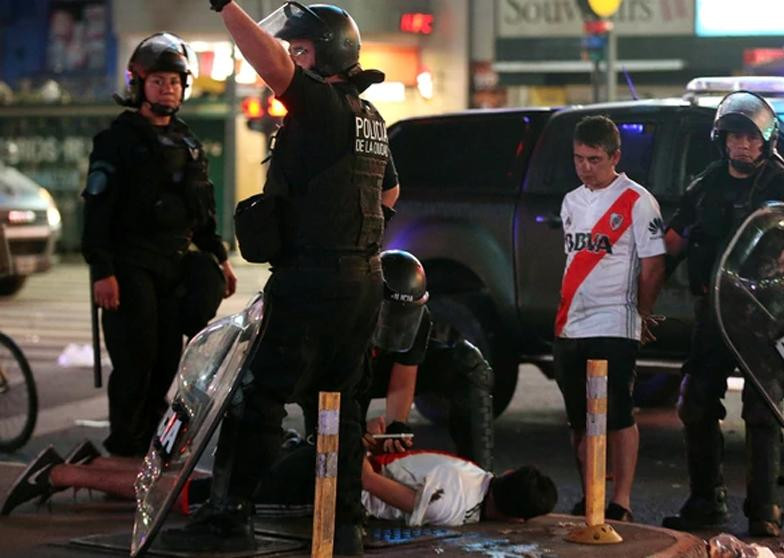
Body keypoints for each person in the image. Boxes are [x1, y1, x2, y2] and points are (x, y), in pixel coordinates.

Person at [164, 1, 399, 554]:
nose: (293, 57)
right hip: (361, 280)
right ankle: (343, 522)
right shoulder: (369, 117)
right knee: (340, 404)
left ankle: (228, 513)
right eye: (293, 48)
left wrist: (226, 8)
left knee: (256, 397)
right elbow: (389, 192)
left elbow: (268, 62)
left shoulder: (320, 106)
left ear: (326, 56)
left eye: (302, 50)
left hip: (310, 280)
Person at [660, 91, 784, 538]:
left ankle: (765, 507)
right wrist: (638, 287)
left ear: (766, 141)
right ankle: (706, 503)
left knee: (762, 411)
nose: (741, 145)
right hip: (713, 315)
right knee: (695, 403)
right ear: (721, 140)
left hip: (764, 317)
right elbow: (672, 242)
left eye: (750, 137)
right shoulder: (704, 187)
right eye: (733, 137)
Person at [81, 32, 237, 459]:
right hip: (129, 263)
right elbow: (97, 210)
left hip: (174, 261)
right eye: (158, 81)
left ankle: (151, 435)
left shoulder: (188, 143)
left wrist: (220, 260)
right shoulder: (117, 140)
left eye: (174, 81)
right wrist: (102, 271)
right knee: (136, 355)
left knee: (168, 355)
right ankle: (124, 442)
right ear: (139, 85)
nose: (167, 88)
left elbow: (201, 212)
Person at [2, 441, 558, 530]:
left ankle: (93, 462)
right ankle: (60, 474)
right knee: (181, 493)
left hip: (313, 460)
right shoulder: (453, 504)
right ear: (512, 518)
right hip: (308, 480)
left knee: (192, 479)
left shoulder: (471, 472)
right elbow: (368, 482)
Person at [554, 115, 666, 522]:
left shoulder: (637, 201)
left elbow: (653, 265)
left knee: (618, 414)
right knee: (578, 419)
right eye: (579, 158)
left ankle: (621, 500)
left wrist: (642, 313)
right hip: (570, 325)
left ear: (615, 156)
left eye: (594, 159)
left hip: (615, 324)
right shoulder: (570, 201)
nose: (586, 167)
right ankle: (591, 495)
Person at [359, 250, 495, 470]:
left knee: (469, 365)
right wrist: (352, 427)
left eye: (404, 317)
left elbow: (404, 372)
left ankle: (479, 480)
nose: (396, 324)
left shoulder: (418, 318)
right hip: (341, 377)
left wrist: (396, 426)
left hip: (379, 370)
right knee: (343, 444)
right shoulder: (351, 312)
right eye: (390, 315)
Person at [361, 451, 556, 527]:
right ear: (515, 520)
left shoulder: (474, 478)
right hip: (353, 492)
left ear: (507, 473)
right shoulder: (447, 502)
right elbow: (367, 480)